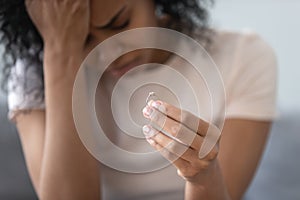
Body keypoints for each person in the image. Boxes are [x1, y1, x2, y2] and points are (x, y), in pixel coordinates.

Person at [0, 0, 277, 199]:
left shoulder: (243, 57)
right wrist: (61, 53)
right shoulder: (36, 74)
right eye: (84, 40)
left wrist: (201, 176)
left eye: (118, 24)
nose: (107, 53)